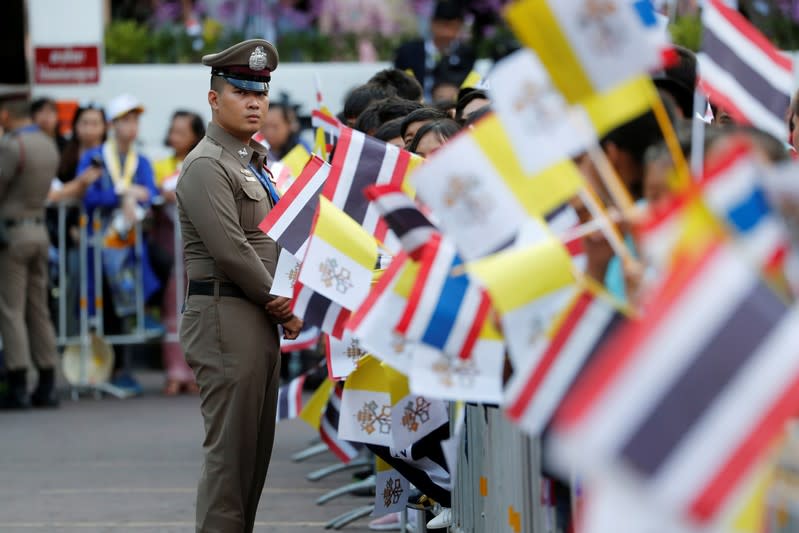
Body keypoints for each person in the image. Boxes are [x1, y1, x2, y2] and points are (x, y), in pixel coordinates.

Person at [176, 38, 303, 532]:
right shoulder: (208, 164)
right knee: (230, 463)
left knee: (252, 460)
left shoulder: (250, 160)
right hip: (226, 317)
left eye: (261, 92)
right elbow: (232, 251)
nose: (254, 102)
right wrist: (283, 306)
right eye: (240, 91)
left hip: (253, 317)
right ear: (213, 98)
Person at [78, 93, 163, 395]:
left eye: (135, 120)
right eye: (126, 120)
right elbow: (86, 197)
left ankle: (125, 360)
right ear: (113, 125)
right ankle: (114, 370)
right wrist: (124, 194)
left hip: (131, 244)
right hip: (100, 247)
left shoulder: (140, 160)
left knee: (126, 301)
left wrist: (134, 194)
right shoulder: (95, 157)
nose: (132, 126)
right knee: (109, 309)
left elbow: (150, 193)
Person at [0, 91, 60, 409]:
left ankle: (18, 383)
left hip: (13, 235)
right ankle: (48, 382)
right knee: (39, 309)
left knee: (11, 310)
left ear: (6, 115)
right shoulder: (46, 144)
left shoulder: (12, 146)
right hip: (40, 231)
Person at [154, 110, 205, 396]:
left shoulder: (202, 163)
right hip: (172, 253)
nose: (175, 137)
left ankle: (198, 370)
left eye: (181, 132)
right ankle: (175, 371)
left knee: (200, 311)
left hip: (200, 250)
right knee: (173, 310)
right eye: (172, 131)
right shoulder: (161, 166)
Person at [394, 1, 476, 101]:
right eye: (444, 26)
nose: (447, 33)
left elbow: (467, 84)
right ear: (432, 23)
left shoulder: (466, 54)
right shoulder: (407, 52)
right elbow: (397, 84)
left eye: (454, 27)